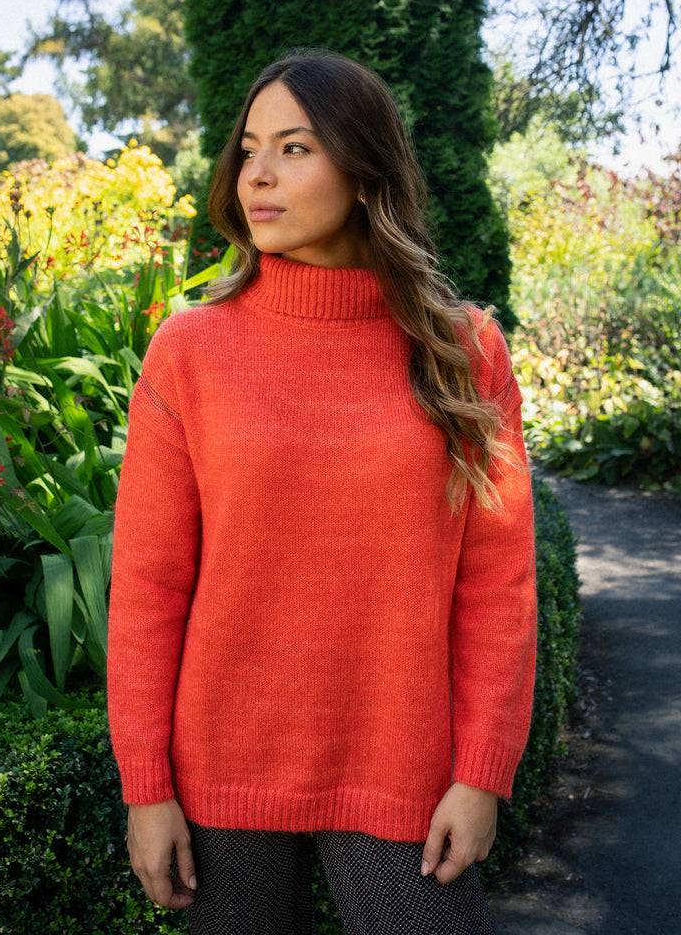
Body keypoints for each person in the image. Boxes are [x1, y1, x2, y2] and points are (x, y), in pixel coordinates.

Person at [107, 49, 537, 935]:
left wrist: (483, 772)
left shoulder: (464, 350)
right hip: (222, 765)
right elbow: (148, 585)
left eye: (295, 148)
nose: (256, 174)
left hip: (406, 766)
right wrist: (145, 786)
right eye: (249, 149)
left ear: (365, 168)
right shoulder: (190, 352)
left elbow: (497, 583)